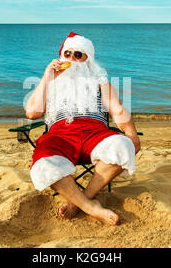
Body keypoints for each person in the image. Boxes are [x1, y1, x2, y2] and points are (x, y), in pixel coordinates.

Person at [24, 32, 141, 225]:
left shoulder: (99, 82)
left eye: (78, 55)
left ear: (88, 60)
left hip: (95, 133)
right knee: (44, 164)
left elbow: (117, 109)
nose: (72, 59)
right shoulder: (51, 83)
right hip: (60, 136)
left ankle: (79, 201)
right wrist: (46, 77)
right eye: (67, 53)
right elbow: (31, 113)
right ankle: (90, 206)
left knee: (122, 145)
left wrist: (131, 135)